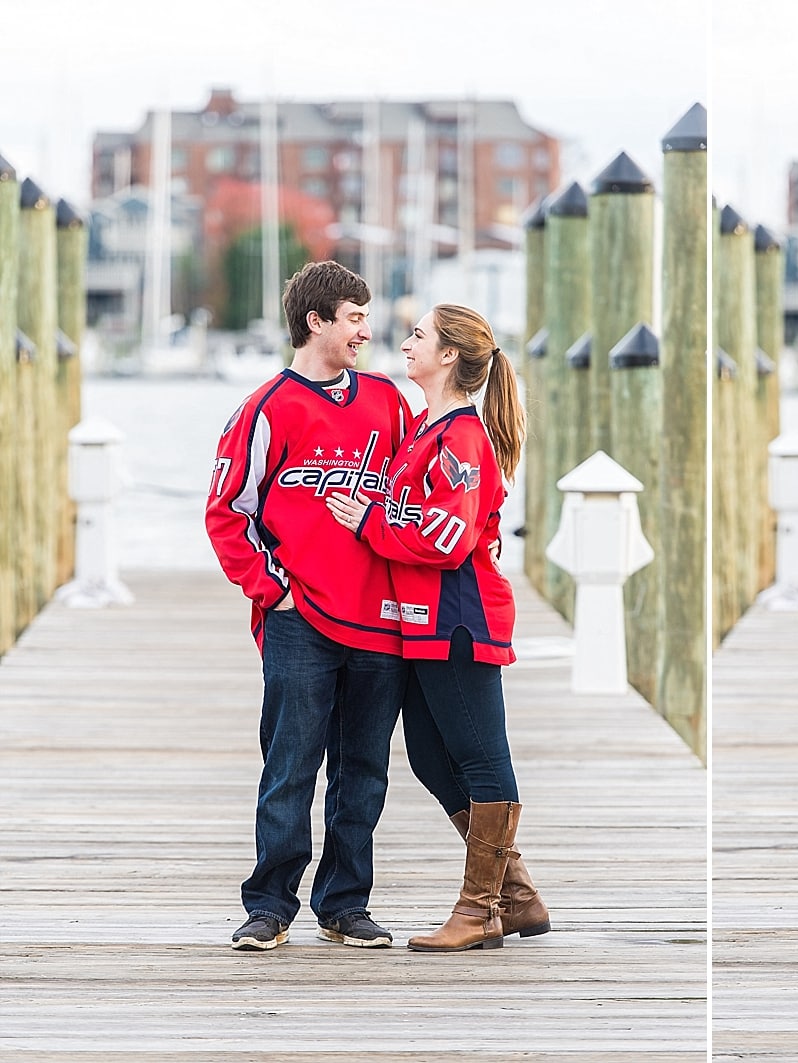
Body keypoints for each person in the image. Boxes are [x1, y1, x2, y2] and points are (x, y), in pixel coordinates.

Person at [326, 303, 549, 952]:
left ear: (449, 355)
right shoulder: (426, 429)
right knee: (429, 755)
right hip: (419, 623)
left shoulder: (461, 439)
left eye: (418, 334)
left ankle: (480, 909)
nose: (406, 342)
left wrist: (368, 521)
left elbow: (448, 537)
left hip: (459, 620)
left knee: (482, 758)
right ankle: (519, 894)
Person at [206, 261, 412, 951]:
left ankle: (345, 903)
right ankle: (270, 904)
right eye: (354, 316)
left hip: (379, 619)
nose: (366, 329)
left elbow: (413, 499)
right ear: (316, 321)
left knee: (364, 771)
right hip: (302, 621)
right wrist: (277, 591)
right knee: (290, 765)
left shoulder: (388, 401)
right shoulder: (267, 408)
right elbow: (228, 512)